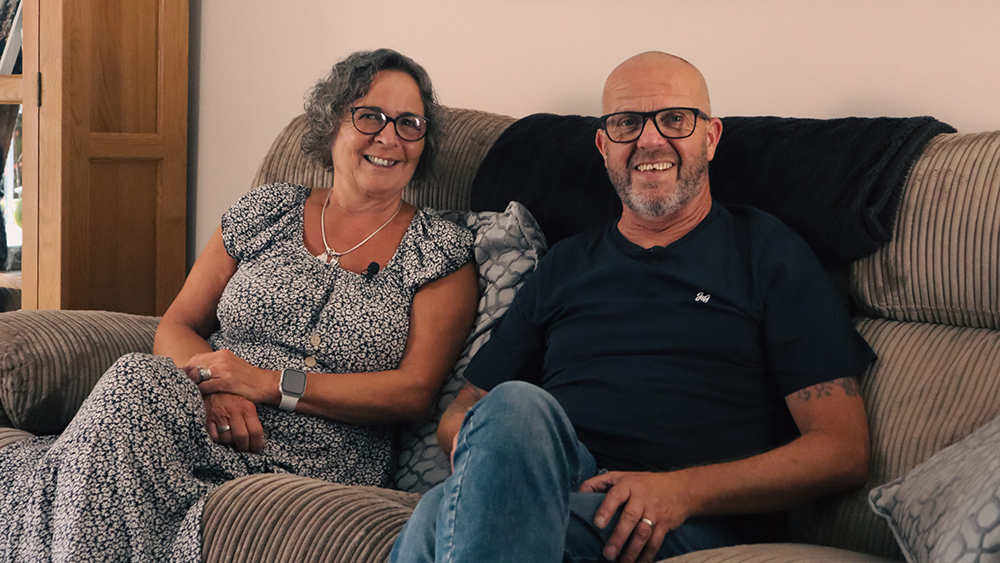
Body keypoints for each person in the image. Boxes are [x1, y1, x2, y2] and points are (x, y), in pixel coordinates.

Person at [389, 51, 875, 563]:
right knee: (511, 409)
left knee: (440, 514)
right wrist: (503, 465)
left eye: (674, 119)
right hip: (561, 485)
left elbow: (841, 450)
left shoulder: (766, 252)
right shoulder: (567, 263)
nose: (649, 140)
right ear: (603, 146)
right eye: (626, 123)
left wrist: (681, 491)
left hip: (686, 516)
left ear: (709, 138)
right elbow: (461, 413)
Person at [0, 48, 479, 562]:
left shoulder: (441, 252)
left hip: (320, 452)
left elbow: (411, 392)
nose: (390, 138)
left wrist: (267, 383)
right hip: (205, 413)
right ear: (331, 123)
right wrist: (214, 388)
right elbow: (179, 322)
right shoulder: (266, 211)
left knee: (71, 455)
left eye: (410, 124)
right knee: (135, 376)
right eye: (370, 117)